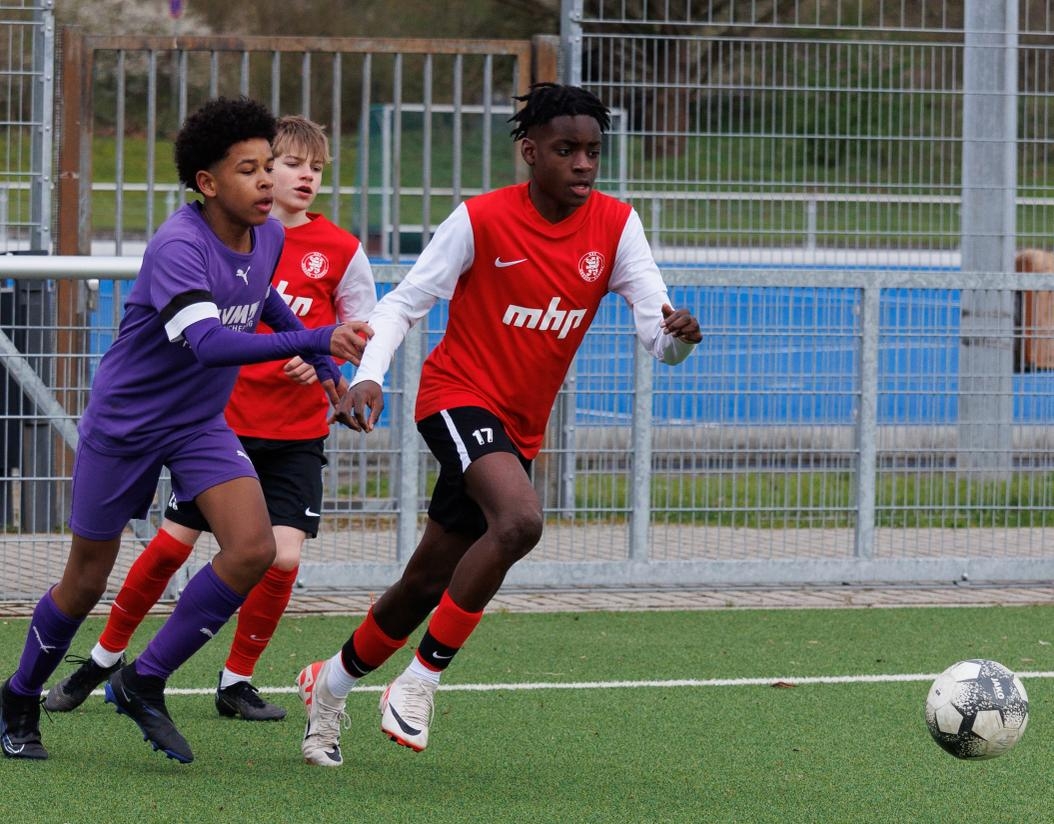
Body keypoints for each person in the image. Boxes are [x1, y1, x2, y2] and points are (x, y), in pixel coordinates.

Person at [294, 82, 702, 768]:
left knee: (425, 583)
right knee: (519, 522)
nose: (583, 163)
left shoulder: (617, 226)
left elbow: (657, 337)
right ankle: (419, 681)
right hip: (455, 397)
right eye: (566, 150)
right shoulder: (480, 219)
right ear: (530, 152)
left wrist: (680, 337)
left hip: (516, 429)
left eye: (593, 151)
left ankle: (327, 686)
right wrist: (369, 374)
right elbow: (402, 304)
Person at [0, 96, 370, 764]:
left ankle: (142, 681)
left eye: (269, 166)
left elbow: (266, 300)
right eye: (249, 170)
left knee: (254, 548)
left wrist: (323, 367)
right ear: (207, 182)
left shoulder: (268, 235)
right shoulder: (178, 244)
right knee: (85, 582)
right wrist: (321, 337)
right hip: (127, 425)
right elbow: (209, 343)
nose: (267, 181)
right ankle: (20, 694)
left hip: (198, 423)